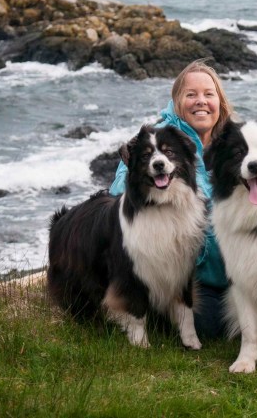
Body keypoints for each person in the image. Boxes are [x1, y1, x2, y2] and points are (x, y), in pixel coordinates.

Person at [109, 59, 232, 338]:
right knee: (212, 327)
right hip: (187, 275)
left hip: (236, 268)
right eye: (191, 94)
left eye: (208, 94)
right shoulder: (153, 139)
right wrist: (138, 166)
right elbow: (118, 192)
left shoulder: (234, 143)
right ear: (177, 101)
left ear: (220, 103)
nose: (201, 101)